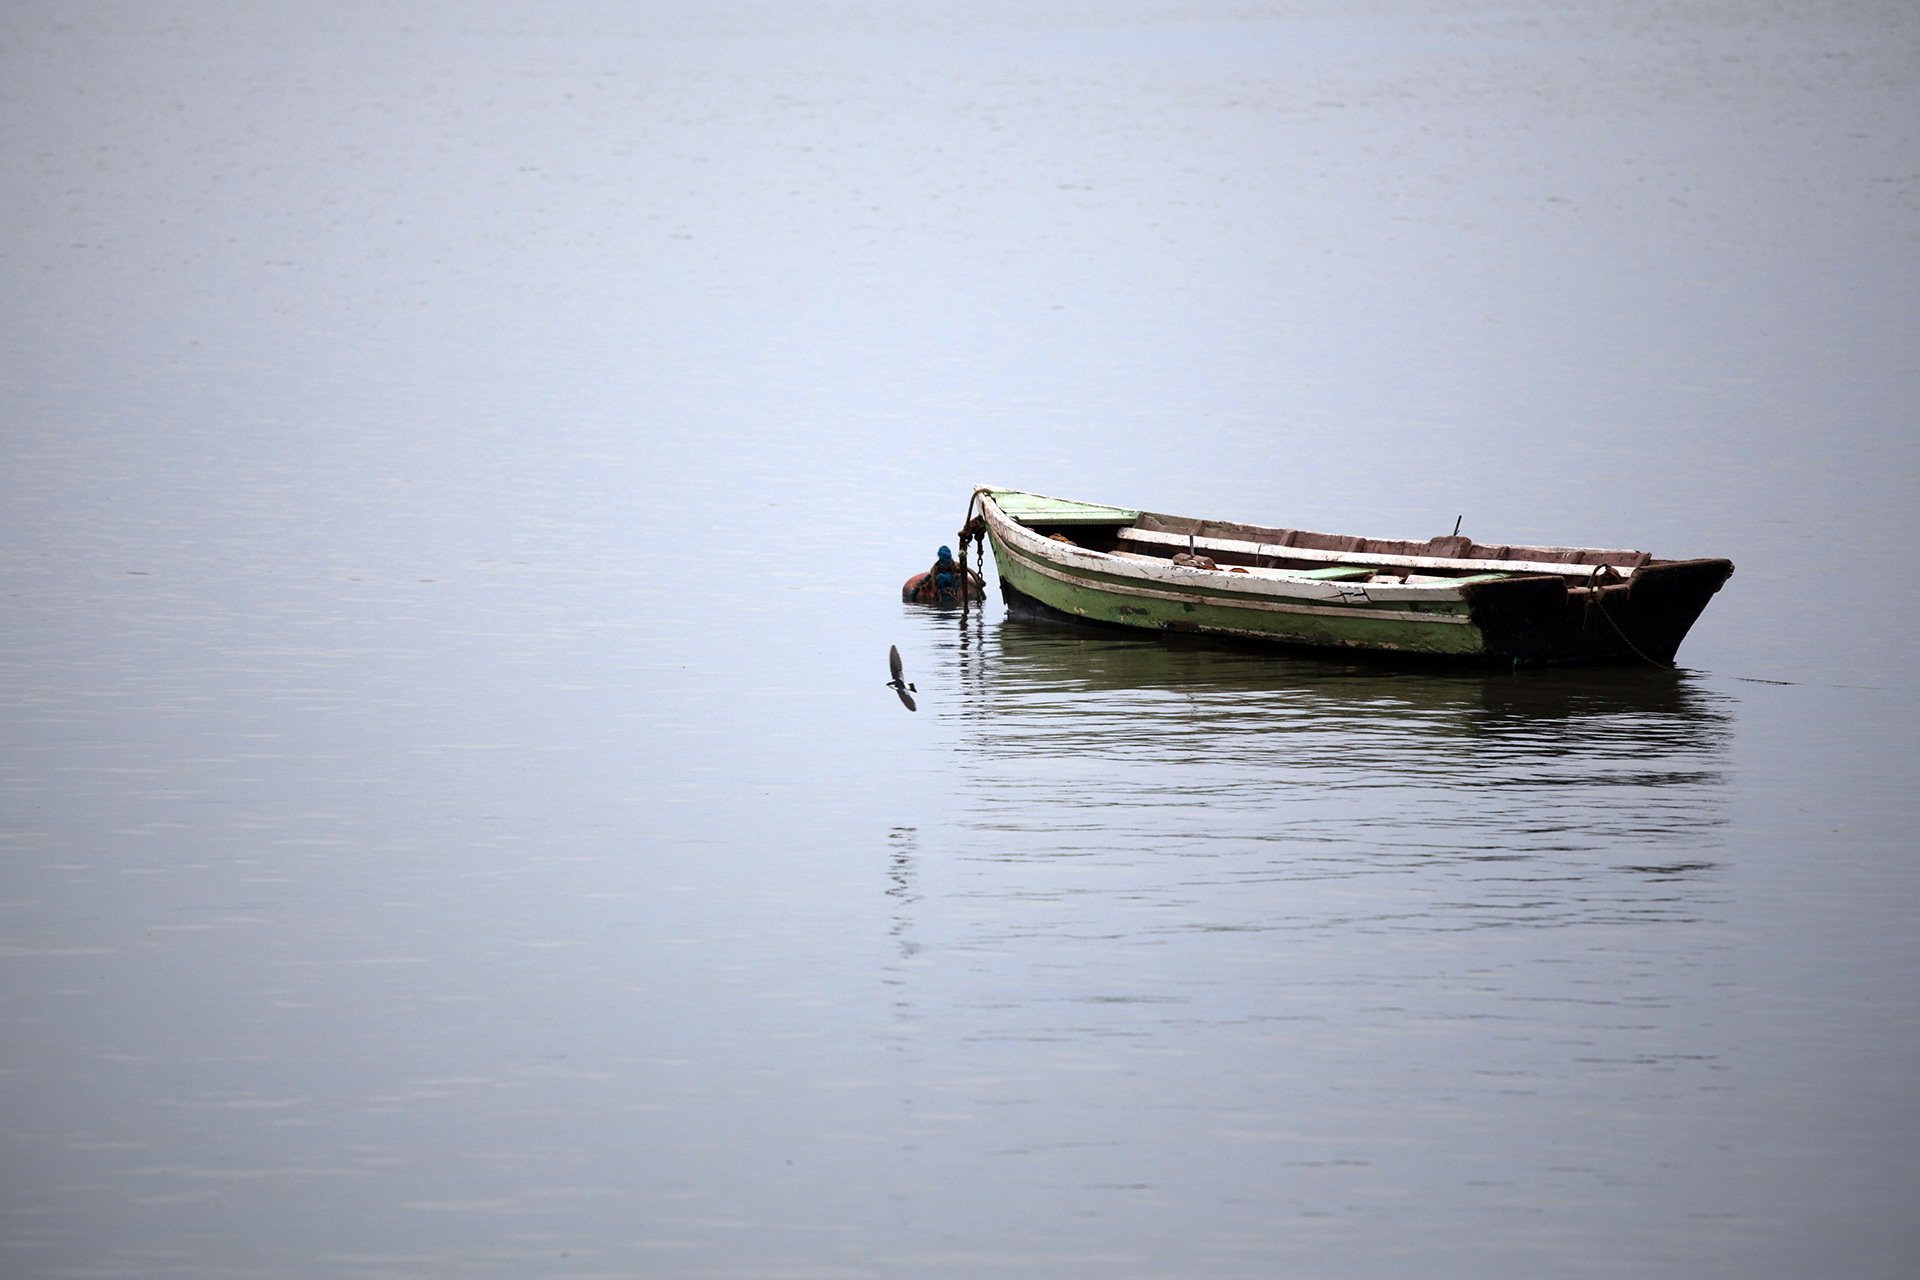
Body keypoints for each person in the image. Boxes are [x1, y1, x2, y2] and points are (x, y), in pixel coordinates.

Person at [901, 544, 984, 604]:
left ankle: (946, 594)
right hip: (943, 580)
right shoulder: (936, 568)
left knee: (943, 577)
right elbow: (932, 576)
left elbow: (966, 569)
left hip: (952, 579)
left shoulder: (954, 565)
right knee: (940, 577)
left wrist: (978, 580)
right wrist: (916, 591)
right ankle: (944, 593)